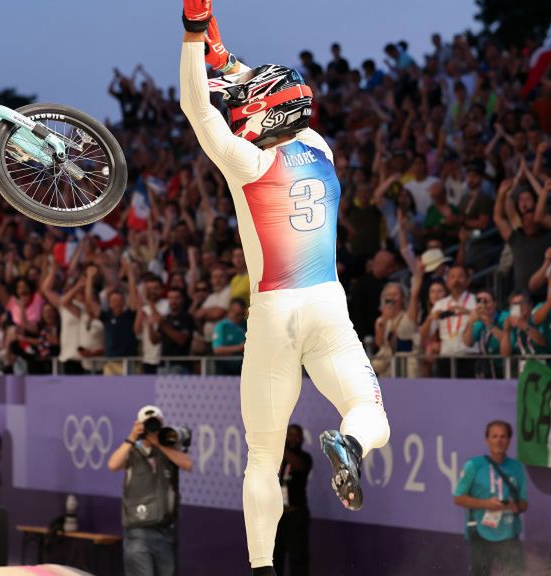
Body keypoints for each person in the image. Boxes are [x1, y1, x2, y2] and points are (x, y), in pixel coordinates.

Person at [179, 6, 390, 574]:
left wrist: (194, 35)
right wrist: (221, 54)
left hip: (272, 312)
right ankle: (350, 444)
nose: (240, 112)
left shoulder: (246, 161)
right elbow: (263, 88)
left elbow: (196, 106)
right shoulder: (320, 149)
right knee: (371, 417)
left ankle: (262, 567)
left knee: (263, 456)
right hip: (326, 304)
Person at [107, 405, 193, 576]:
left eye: (156, 423)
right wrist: (132, 437)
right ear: (139, 425)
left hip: (165, 530)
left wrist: (160, 444)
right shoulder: (132, 450)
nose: (152, 428)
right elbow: (113, 464)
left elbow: (187, 464)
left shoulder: (169, 449)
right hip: (137, 530)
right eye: (148, 424)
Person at [453, 421, 528, 576]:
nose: (499, 441)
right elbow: (458, 498)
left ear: (509, 440)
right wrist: (485, 504)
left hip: (509, 533)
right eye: (494, 436)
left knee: (516, 573)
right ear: (487, 440)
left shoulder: (516, 467)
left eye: (503, 436)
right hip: (481, 532)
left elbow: (524, 504)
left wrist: (515, 506)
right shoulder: (474, 465)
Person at [274, 424, 312, 576]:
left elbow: (299, 465)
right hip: (277, 516)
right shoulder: (277, 459)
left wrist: (278, 446)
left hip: (296, 516)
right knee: (275, 557)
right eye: (289, 434)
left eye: (296, 435)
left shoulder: (305, 458)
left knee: (298, 558)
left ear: (302, 439)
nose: (293, 438)